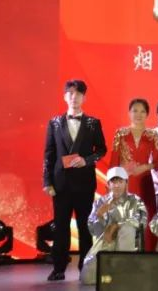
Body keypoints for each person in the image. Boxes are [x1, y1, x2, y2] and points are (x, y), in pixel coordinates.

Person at [43, 79, 107, 282]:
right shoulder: (54, 123)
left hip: (84, 183)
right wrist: (47, 182)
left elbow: (102, 150)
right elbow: (49, 154)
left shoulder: (93, 123)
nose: (74, 97)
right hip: (60, 184)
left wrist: (86, 160)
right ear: (65, 96)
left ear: (84, 97)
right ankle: (58, 268)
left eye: (78, 93)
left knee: (85, 227)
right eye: (70, 93)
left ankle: (85, 267)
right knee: (61, 226)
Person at [108, 98, 158, 251]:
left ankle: (147, 253)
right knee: (124, 218)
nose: (138, 114)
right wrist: (121, 171)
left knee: (147, 216)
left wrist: (145, 167)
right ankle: (124, 253)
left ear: (147, 114)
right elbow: (114, 161)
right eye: (135, 111)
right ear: (129, 113)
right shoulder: (120, 134)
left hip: (144, 180)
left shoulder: (152, 135)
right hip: (125, 182)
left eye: (142, 111)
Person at [79, 167, 147, 284]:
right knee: (87, 278)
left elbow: (142, 221)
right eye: (113, 182)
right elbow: (93, 230)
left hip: (128, 244)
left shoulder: (135, 200)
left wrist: (116, 226)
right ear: (108, 184)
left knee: (127, 229)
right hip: (107, 242)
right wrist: (99, 216)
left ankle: (124, 273)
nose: (117, 185)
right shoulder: (100, 202)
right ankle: (111, 278)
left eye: (120, 182)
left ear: (126, 183)